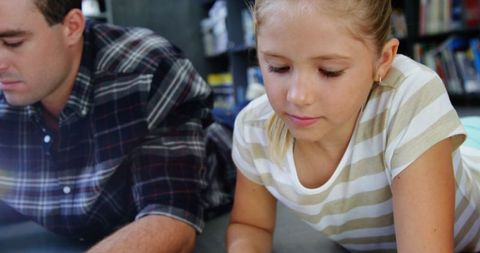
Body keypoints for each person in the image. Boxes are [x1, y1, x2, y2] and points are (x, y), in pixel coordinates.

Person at [227, 0, 480, 252]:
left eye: (329, 71)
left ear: (382, 60)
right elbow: (250, 226)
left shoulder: (410, 96)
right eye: (278, 67)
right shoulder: (254, 129)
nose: (297, 96)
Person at [0, 0, 212, 252]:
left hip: (217, 207)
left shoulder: (146, 71)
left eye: (13, 43)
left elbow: (170, 220)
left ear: (72, 27)